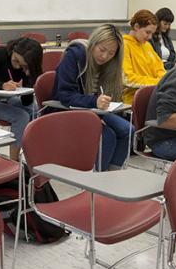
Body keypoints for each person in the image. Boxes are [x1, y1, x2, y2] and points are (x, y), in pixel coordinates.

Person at [52, 24, 133, 171]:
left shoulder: (110, 65)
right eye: (102, 50)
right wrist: (94, 101)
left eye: (111, 53)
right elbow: (65, 95)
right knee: (107, 136)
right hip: (66, 111)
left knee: (128, 129)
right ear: (93, 43)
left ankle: (111, 175)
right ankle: (98, 182)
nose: (104, 56)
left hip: (93, 109)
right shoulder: (75, 55)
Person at [0, 37, 42, 161]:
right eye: (15, 60)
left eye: (22, 65)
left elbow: (27, 102)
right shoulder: (0, 53)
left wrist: (29, 77)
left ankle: (30, 157)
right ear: (13, 50)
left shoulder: (24, 67)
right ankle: (14, 164)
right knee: (21, 116)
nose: (17, 66)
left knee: (34, 110)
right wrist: (2, 85)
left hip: (5, 100)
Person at [122, 9, 165, 105]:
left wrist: (163, 81)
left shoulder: (147, 45)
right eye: (147, 32)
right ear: (136, 26)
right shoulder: (124, 45)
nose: (150, 37)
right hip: (132, 101)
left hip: (153, 96)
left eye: (152, 33)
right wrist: (157, 82)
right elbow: (128, 79)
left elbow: (159, 69)